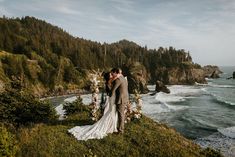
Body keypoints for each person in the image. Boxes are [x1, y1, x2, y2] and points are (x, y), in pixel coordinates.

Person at [68, 72, 118, 141]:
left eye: (111, 75)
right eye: (110, 75)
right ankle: (110, 127)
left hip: (112, 99)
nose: (112, 75)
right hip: (112, 99)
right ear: (108, 77)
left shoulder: (109, 82)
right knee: (111, 113)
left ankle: (111, 127)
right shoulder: (109, 82)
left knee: (111, 113)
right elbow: (112, 90)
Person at [110, 68, 129, 134]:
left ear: (115, 72)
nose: (112, 75)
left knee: (121, 114)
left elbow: (113, 90)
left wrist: (109, 96)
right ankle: (120, 127)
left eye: (112, 73)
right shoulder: (123, 78)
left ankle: (121, 130)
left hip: (121, 99)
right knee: (121, 114)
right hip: (125, 98)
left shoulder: (118, 80)